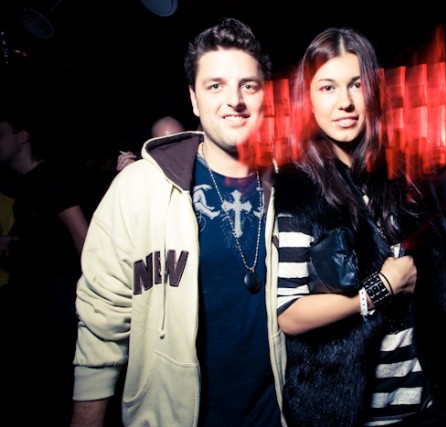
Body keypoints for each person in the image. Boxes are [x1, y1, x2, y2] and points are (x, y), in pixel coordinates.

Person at [70, 18, 285, 426]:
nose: (234, 100)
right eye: (215, 85)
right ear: (193, 99)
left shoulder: (291, 187)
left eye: (248, 86)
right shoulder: (139, 187)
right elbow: (102, 317)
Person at [273, 27, 446, 426]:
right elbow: (289, 312)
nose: (344, 102)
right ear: (308, 100)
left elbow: (444, 281)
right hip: (349, 409)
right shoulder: (299, 189)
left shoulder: (403, 176)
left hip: (424, 400)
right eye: (327, 87)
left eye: (356, 84)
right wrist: (380, 288)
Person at [0, 103, 90, 425]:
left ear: (22, 136)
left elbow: (81, 235)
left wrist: (95, 291)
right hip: (32, 293)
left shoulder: (51, 177)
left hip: (56, 293)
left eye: (1, 134)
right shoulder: (23, 183)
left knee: (59, 375)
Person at [116, 115, 186, 171]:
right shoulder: (144, 169)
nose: (172, 150)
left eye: (178, 141)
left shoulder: (191, 166)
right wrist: (129, 174)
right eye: (164, 143)